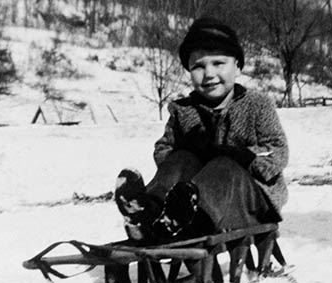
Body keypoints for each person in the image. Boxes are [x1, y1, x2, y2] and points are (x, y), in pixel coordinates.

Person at [115, 17, 289, 243]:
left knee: (224, 165)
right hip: (189, 195)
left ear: (237, 67)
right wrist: (188, 152)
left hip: (252, 199)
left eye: (218, 63)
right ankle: (149, 211)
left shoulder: (257, 105)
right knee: (181, 158)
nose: (208, 74)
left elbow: (278, 150)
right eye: (198, 66)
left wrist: (243, 156)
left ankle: (190, 220)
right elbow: (163, 149)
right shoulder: (183, 110)